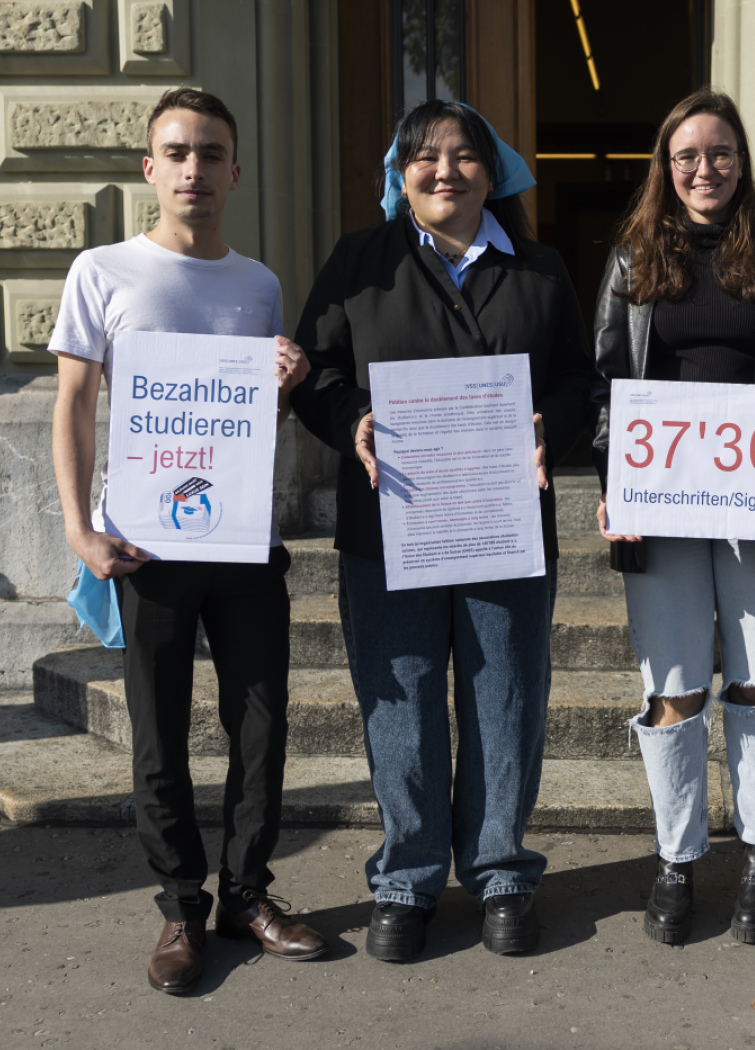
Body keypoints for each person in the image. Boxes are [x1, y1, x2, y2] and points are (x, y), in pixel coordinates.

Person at [291, 99, 594, 962]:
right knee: (405, 702)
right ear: (401, 172)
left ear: (492, 173)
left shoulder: (538, 270)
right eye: (424, 156)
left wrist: (552, 425)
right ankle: (407, 879)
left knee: (504, 697)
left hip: (504, 525)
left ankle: (501, 872)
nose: (445, 171)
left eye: (464, 156)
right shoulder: (361, 262)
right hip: (391, 525)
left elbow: (579, 377)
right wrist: (350, 418)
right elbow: (318, 373)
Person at [49, 88, 325, 995]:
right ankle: (180, 906)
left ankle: (249, 892)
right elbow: (75, 407)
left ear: (234, 172)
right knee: (159, 731)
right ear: (150, 169)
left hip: (243, 543)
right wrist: (79, 528)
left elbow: (249, 418)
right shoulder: (102, 270)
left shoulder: (259, 283)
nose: (193, 170)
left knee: (262, 721)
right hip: (145, 548)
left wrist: (284, 384)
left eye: (210, 154)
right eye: (177, 153)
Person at [591, 90, 755, 946]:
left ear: (741, 163)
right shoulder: (631, 262)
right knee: (673, 690)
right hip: (663, 506)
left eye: (720, 153)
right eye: (687, 155)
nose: (704, 170)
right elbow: (606, 384)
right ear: (665, 167)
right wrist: (613, 479)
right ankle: (677, 857)